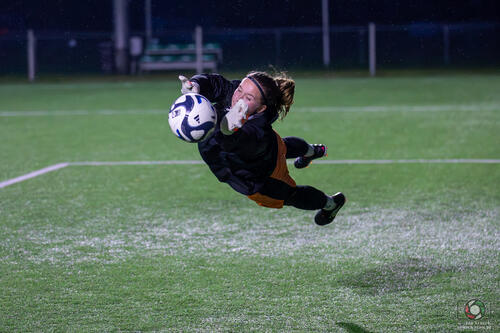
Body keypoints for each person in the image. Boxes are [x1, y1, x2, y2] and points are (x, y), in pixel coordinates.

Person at [178, 71, 345, 225]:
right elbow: (216, 83)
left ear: (261, 108)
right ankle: (311, 151)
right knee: (284, 146)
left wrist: (218, 126)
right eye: (240, 89)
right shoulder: (237, 96)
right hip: (270, 148)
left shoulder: (257, 131)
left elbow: (235, 143)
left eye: (248, 98)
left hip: (260, 176)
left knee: (290, 195)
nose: (238, 98)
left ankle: (331, 204)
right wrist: (195, 86)